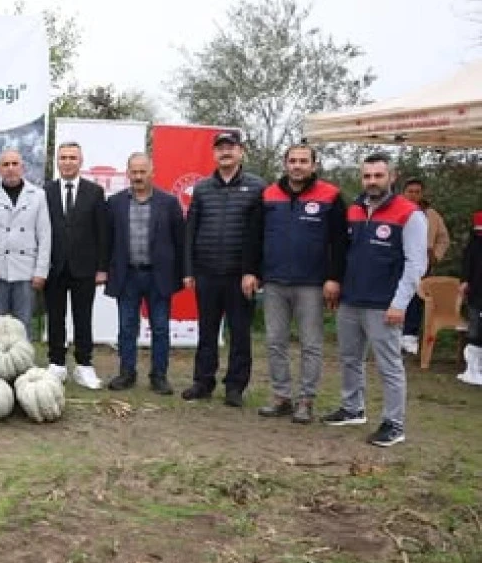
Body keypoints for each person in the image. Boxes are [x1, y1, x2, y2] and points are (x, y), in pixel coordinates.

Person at [322, 153, 427, 447]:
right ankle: (353, 408)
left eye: (378, 176)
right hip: (351, 299)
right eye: (367, 176)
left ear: (392, 177)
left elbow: (416, 263)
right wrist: (338, 286)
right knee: (349, 358)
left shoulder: (409, 213)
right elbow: (345, 253)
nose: (372, 181)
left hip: (384, 304)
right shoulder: (354, 209)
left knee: (389, 365)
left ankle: (395, 424)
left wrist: (400, 303)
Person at [243, 145, 347, 424]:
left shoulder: (331, 196)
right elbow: (254, 237)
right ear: (285, 164)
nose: (297, 166)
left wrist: (334, 277)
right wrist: (250, 271)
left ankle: (306, 400)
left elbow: (340, 242)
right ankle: (281, 397)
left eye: (303, 161)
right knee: (275, 342)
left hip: (312, 285)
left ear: (314, 165)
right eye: (293, 161)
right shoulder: (268, 195)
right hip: (275, 282)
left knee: (311, 344)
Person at [181, 130, 266, 407]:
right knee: (206, 331)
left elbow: (262, 234)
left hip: (240, 276)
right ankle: (203, 382)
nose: (225, 152)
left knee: (240, 334)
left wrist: (255, 272)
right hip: (206, 273)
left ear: (241, 152)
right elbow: (190, 230)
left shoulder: (257, 187)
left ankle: (235, 387)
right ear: (214, 153)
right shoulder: (203, 188)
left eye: (231, 147)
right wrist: (189, 270)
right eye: (220, 148)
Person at [104, 153, 185, 395]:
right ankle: (127, 373)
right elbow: (107, 241)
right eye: (134, 172)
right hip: (126, 275)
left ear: (152, 172)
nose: (138, 177)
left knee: (160, 327)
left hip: (158, 276)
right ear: (127, 173)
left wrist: (183, 273)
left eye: (143, 172)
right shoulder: (115, 202)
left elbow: (180, 241)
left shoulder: (169, 203)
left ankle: (159, 376)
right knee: (127, 327)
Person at [44, 142, 109, 390]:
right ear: (57, 162)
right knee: (55, 317)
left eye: (73, 157)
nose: (68, 162)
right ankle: (56, 364)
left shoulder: (94, 192)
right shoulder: (46, 191)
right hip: (54, 266)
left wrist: (102, 267)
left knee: (83, 317)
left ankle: (84, 366)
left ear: (80, 161)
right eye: (63, 158)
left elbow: (102, 232)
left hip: (85, 267)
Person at [0, 149, 51, 339]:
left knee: (23, 323)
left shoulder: (38, 195)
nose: (10, 169)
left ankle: (23, 364)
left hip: (27, 270)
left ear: (22, 167)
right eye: (6, 165)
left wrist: (41, 271)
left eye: (15, 164)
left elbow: (44, 234)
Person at [399, 177, 451, 355]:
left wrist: (434, 256)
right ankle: (393, 335)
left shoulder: (432, 215)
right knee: (396, 296)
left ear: (422, 194)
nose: (413, 195)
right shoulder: (394, 210)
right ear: (404, 193)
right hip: (398, 261)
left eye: (417, 192)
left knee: (416, 298)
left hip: (422, 263)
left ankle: (410, 337)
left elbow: (443, 238)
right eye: (410, 191)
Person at [459, 210, 482, 386]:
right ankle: (472, 368)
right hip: (476, 294)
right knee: (475, 329)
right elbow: (467, 266)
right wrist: (465, 282)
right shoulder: (473, 245)